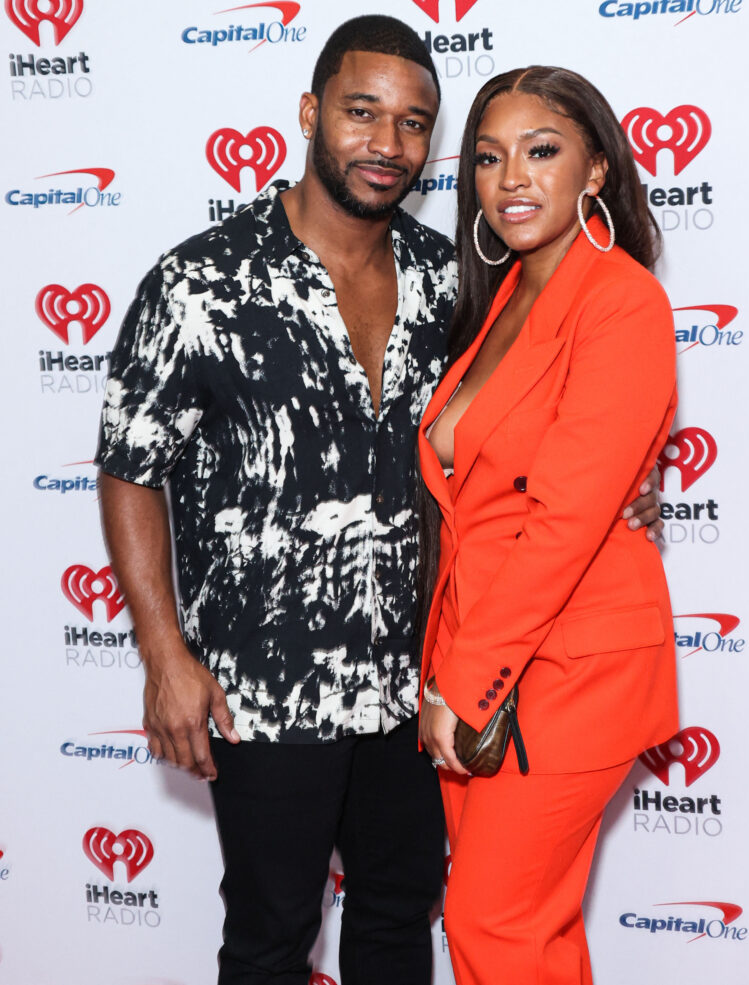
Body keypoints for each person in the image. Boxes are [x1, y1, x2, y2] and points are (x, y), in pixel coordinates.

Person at [95, 17, 664, 985]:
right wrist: (163, 652)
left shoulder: (454, 279)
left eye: (412, 123)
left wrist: (625, 484)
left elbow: (531, 427)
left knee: (403, 919)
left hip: (417, 677)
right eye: (361, 112)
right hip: (264, 684)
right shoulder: (200, 280)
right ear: (310, 113)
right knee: (271, 936)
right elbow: (129, 465)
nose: (385, 143)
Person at [418, 66, 679, 985]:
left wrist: (466, 683)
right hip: (483, 655)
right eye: (489, 158)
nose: (512, 179)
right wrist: (448, 667)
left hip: (567, 671)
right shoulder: (500, 300)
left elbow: (564, 519)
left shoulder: (621, 300)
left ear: (596, 170)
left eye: (542, 151)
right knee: (533, 933)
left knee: (493, 922)